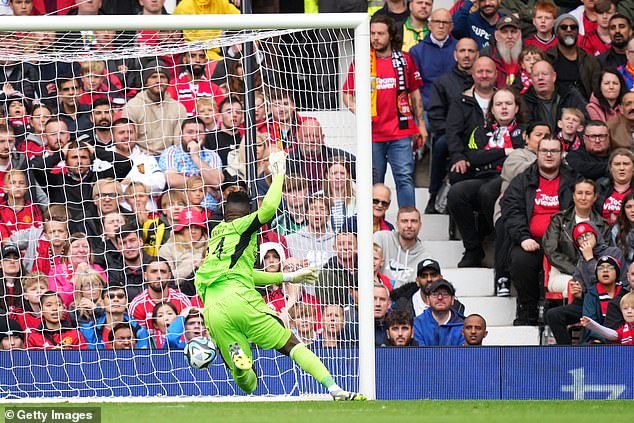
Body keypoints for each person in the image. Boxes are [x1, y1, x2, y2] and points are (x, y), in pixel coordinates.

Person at [193, 149, 366, 401]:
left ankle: (241, 367)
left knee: (248, 383)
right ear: (246, 212)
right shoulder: (244, 225)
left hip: (214, 310)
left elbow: (247, 274)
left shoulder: (216, 236)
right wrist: (279, 174)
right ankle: (334, 388)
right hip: (241, 300)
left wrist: (288, 278)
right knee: (291, 345)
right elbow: (271, 208)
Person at [343, 14, 426, 208]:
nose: (375, 37)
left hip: (401, 132)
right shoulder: (362, 61)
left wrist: (421, 124)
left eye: (380, 33)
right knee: (374, 182)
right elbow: (346, 95)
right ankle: (371, 227)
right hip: (373, 133)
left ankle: (407, 221)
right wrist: (361, 113)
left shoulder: (405, 59)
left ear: (390, 35)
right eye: (372, 33)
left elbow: (415, 94)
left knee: (404, 178)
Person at [501, 138, 576, 325]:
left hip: (564, 242)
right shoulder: (523, 179)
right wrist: (523, 237)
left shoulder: (574, 179)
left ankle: (560, 313)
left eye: (554, 151)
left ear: (562, 154)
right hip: (532, 239)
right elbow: (511, 210)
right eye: (544, 151)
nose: (549, 155)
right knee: (520, 261)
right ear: (537, 153)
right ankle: (528, 311)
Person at [448, 87, 524, 268]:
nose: (504, 108)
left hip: (513, 181)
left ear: (517, 108)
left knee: (487, 192)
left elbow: (523, 155)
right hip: (484, 176)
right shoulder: (480, 131)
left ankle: (501, 236)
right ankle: (473, 249)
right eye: (498, 104)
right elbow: (474, 158)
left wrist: (490, 157)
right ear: (492, 110)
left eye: (508, 103)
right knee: (457, 193)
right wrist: (506, 151)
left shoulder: (526, 131)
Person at [425, 37, 479, 213]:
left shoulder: (484, 80)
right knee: (441, 144)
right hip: (450, 135)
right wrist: (453, 134)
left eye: (471, 51)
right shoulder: (443, 82)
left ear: (477, 55)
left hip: (479, 135)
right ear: (455, 55)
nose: (466, 55)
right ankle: (434, 196)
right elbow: (435, 115)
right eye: (462, 51)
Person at [543, 180, 610, 299]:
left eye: (588, 193)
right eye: (579, 193)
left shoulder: (602, 225)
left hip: (593, 274)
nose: (583, 197)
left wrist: (590, 272)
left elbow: (605, 253)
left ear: (594, 197)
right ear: (573, 196)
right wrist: (577, 272)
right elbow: (551, 250)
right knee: (575, 285)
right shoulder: (559, 220)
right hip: (562, 273)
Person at [445, 57, 497, 186]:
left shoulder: (505, 99)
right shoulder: (460, 102)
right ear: (473, 74)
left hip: (498, 157)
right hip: (469, 158)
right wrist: (458, 157)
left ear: (496, 74)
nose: (484, 75)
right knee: (457, 174)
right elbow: (453, 133)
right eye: (480, 72)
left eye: (488, 71)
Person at [121, 60, 188, 155]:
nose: (158, 81)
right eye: (153, 77)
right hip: (141, 156)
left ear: (168, 82)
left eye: (162, 77)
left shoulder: (178, 107)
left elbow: (178, 142)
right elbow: (128, 140)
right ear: (146, 82)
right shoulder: (132, 106)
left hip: (169, 156)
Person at [159, 117, 223, 195]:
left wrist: (195, 156)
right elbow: (172, 180)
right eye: (190, 132)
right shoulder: (171, 152)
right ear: (181, 134)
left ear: (205, 135)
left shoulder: (212, 155)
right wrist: (206, 186)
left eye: (199, 132)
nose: (194, 137)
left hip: (208, 205)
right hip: (182, 203)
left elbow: (216, 182)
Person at [409, 8, 457, 109]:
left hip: (455, 107)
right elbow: (414, 87)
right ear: (430, 25)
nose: (441, 26)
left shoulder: (460, 48)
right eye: (437, 22)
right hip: (427, 107)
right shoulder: (416, 51)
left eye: (445, 22)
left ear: (451, 27)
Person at [520, 60, 588, 131]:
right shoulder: (525, 101)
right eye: (536, 75)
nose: (540, 78)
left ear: (554, 77)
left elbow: (585, 123)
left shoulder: (569, 94)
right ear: (531, 79)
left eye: (545, 74)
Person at [374, 206, 432, 289]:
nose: (409, 225)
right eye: (404, 221)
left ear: (420, 225)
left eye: (414, 221)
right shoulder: (381, 238)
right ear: (397, 224)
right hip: (378, 296)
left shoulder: (425, 257)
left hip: (406, 299)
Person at [545, 14, 601, 99]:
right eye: (564, 27)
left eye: (573, 27)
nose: (569, 30)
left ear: (577, 32)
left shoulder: (590, 60)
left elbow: (596, 90)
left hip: (584, 107)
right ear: (556, 32)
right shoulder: (547, 58)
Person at [80, 281, 150, 349]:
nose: (116, 299)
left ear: (126, 303)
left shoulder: (140, 331)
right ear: (102, 303)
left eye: (120, 296)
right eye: (111, 296)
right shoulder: (89, 330)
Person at [128, 258, 192, 330]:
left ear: (169, 276)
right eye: (154, 271)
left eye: (163, 272)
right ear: (145, 276)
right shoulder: (137, 305)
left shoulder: (181, 300)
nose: (159, 276)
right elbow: (139, 337)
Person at [167, 49, 224, 118]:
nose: (197, 60)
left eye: (201, 56)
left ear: (206, 60)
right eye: (192, 56)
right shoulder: (173, 86)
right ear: (184, 60)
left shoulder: (215, 89)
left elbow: (220, 116)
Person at [286, 195, 336, 269]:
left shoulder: (336, 241)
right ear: (306, 215)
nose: (317, 212)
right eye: (313, 208)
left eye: (322, 209)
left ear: (328, 216)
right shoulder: (290, 240)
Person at [413, 279, 465, 346]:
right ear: (428, 299)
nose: (440, 297)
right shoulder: (417, 324)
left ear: (452, 300)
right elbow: (419, 353)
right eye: (435, 294)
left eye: (445, 294)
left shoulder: (463, 325)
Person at [595, 148, 634, 226]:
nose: (621, 168)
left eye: (626, 164)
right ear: (610, 167)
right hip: (604, 233)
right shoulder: (600, 186)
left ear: (633, 167)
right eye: (617, 164)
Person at [482, 15, 523, 88]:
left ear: (520, 34)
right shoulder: (487, 55)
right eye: (504, 32)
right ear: (496, 35)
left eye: (513, 32)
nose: (510, 36)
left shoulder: (528, 54)